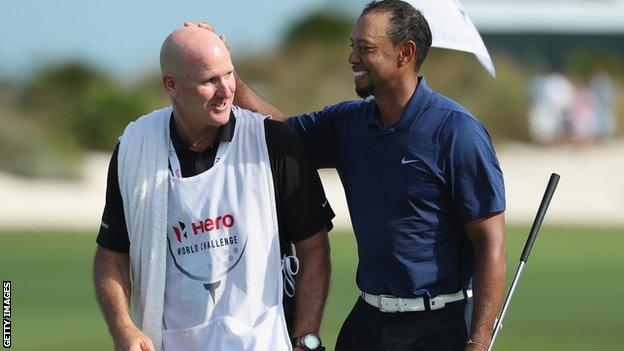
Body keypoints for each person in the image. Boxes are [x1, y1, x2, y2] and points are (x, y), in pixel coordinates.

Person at [196, 0, 507, 350]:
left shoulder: (457, 132)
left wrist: (479, 342)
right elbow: (279, 134)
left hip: (439, 325)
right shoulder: (349, 123)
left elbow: (490, 241)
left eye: (365, 48)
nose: (352, 58)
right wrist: (229, 77)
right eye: (352, 46)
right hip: (369, 322)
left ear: (405, 53)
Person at [93, 26, 333, 351]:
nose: (226, 90)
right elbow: (111, 253)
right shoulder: (136, 150)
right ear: (171, 85)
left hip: (267, 339)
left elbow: (314, 249)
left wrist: (305, 339)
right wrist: (124, 328)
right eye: (210, 81)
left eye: (229, 74)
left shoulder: (273, 142)